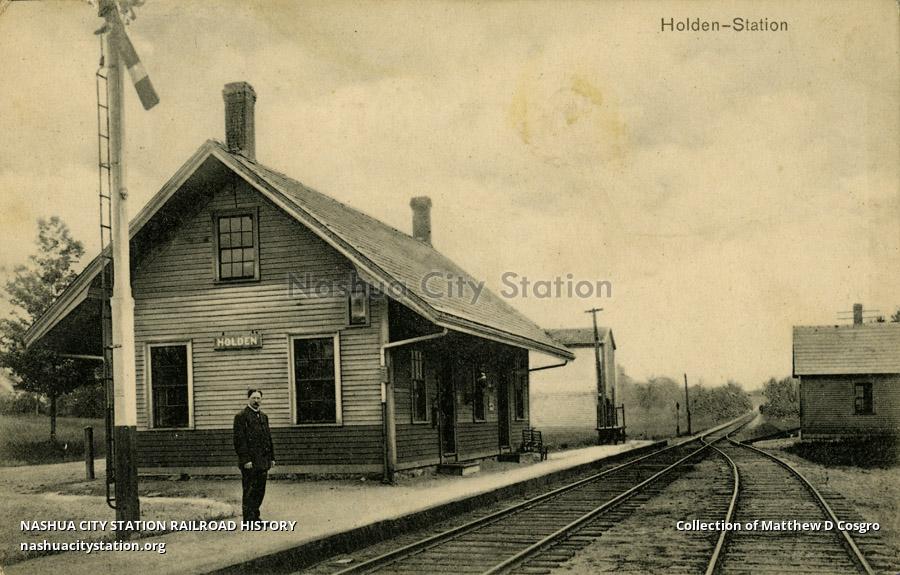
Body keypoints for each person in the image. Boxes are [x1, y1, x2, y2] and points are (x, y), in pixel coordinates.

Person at [233, 388, 275, 522]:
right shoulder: (241, 416)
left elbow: (268, 438)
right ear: (248, 399)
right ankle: (248, 519)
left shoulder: (263, 417)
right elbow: (239, 440)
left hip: (263, 461)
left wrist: (272, 457)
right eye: (254, 398)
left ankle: (256, 517)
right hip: (250, 462)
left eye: (258, 398)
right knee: (249, 491)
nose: (256, 401)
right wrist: (245, 460)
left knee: (259, 490)